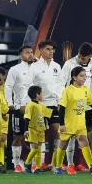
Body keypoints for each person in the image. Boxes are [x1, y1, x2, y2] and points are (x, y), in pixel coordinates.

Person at [53, 66, 92, 175]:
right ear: (74, 77)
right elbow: (61, 108)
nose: (84, 78)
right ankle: (58, 167)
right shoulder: (68, 90)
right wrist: (61, 124)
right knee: (63, 144)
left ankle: (91, 166)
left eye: (85, 76)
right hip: (68, 123)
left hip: (80, 122)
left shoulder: (85, 89)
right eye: (81, 76)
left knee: (84, 141)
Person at [57, 42, 92, 174]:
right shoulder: (69, 64)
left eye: (84, 57)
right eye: (80, 57)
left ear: (89, 56)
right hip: (72, 106)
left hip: (88, 104)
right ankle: (70, 164)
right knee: (69, 138)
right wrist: (63, 101)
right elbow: (60, 83)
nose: (81, 59)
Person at [20, 40, 62, 170]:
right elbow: (26, 85)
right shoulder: (35, 67)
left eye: (52, 49)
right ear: (41, 51)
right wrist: (23, 103)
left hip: (53, 104)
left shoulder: (57, 66)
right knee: (39, 134)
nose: (51, 52)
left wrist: (60, 101)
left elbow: (60, 85)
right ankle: (37, 164)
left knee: (57, 133)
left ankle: (55, 164)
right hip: (39, 105)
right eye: (48, 49)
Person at [5, 45, 34, 173]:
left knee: (34, 136)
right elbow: (8, 86)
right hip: (18, 107)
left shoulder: (37, 68)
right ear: (20, 56)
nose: (30, 55)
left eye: (31, 52)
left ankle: (32, 163)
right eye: (27, 53)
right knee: (18, 136)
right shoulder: (15, 69)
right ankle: (16, 163)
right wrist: (10, 103)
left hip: (34, 108)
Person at [24, 86, 53, 174]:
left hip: (41, 130)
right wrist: (26, 130)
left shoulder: (41, 106)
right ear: (37, 94)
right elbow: (27, 118)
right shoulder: (30, 105)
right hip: (32, 129)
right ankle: (27, 163)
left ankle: (37, 168)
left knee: (39, 150)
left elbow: (49, 112)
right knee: (35, 149)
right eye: (41, 93)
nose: (42, 95)